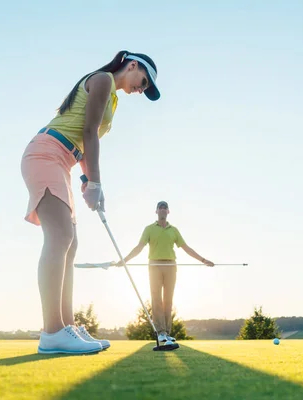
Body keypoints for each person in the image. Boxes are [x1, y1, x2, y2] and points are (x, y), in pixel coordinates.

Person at [20, 50, 160, 354]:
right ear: (132, 65)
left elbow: (83, 145)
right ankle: (52, 331)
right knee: (61, 238)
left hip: (64, 160)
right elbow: (88, 132)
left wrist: (87, 180)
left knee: (70, 245)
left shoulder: (113, 98)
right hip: (45, 154)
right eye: (143, 81)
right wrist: (95, 182)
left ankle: (66, 327)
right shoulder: (102, 80)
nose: (141, 88)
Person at [117, 201, 214, 344]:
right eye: (160, 208)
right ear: (156, 211)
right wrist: (125, 260)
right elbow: (139, 247)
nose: (162, 210)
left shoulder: (173, 230)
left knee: (168, 300)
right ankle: (160, 332)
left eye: (165, 208)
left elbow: (186, 248)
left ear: (168, 212)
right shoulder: (149, 229)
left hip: (170, 265)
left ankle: (167, 333)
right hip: (154, 265)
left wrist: (203, 260)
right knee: (156, 299)